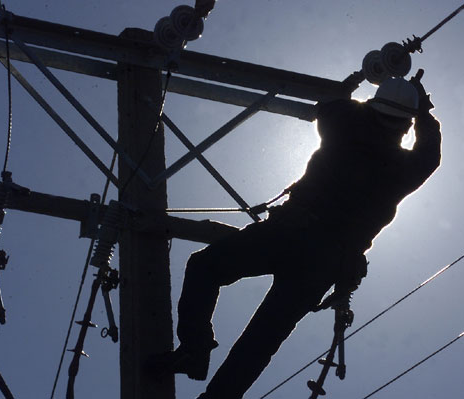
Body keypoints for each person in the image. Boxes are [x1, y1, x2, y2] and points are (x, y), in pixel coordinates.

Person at [157, 69, 442, 399]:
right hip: (326, 261)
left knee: (205, 268)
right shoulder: (406, 169)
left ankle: (195, 348)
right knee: (263, 338)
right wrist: (423, 111)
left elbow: (336, 104)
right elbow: (429, 153)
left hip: (289, 232)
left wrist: (378, 90)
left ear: (373, 108)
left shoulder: (342, 128)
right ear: (406, 126)